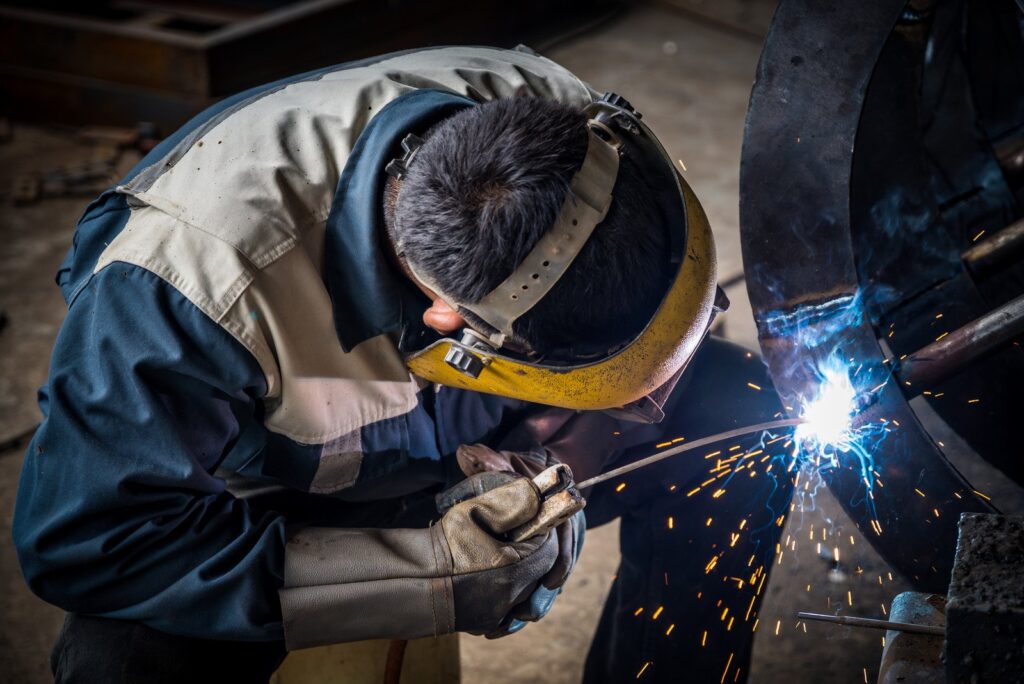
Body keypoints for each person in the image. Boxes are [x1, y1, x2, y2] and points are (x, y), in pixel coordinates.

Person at [13, 46, 791, 683]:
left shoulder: (575, 124)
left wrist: (562, 454)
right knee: (121, 661)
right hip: (288, 494)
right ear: (449, 318)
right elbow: (95, 541)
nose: (645, 414)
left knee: (740, 408)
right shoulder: (185, 290)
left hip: (496, 427)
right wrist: (427, 571)